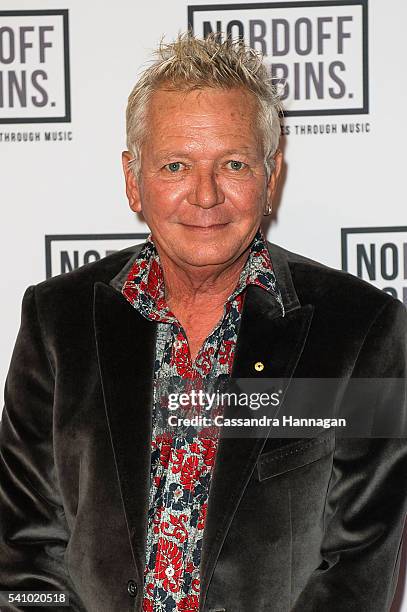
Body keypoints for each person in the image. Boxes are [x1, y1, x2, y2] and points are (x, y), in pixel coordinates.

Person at [0, 32, 406, 612]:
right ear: (132, 180)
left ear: (272, 175)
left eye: (233, 164)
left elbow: (358, 567)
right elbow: (24, 554)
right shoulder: (58, 324)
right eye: (175, 165)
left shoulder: (360, 331)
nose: (206, 195)